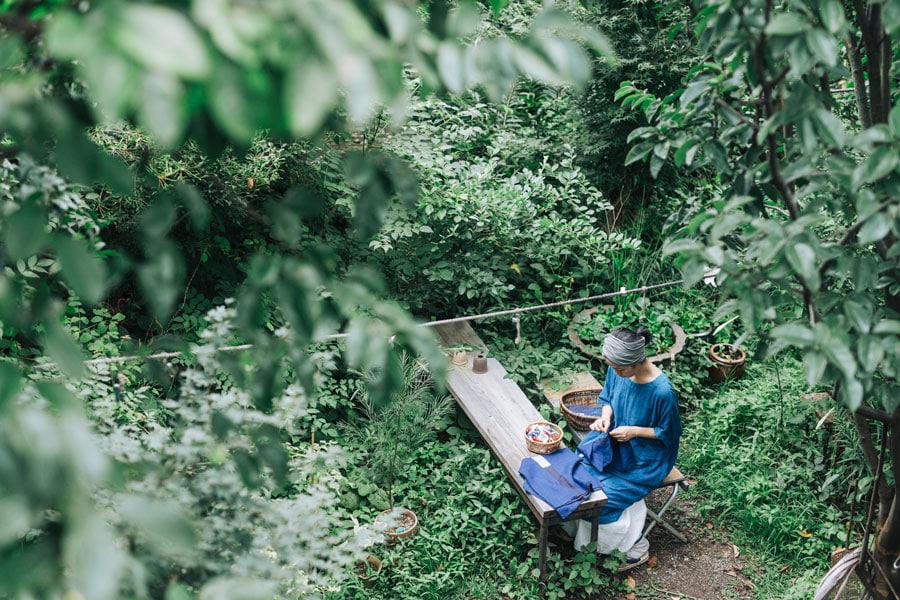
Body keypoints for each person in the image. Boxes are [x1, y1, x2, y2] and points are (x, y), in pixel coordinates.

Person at [563, 325, 683, 570]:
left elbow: (668, 434)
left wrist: (634, 431)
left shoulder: (662, 392)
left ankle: (636, 546)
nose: (615, 372)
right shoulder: (618, 370)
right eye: (612, 367)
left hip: (647, 459)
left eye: (619, 368)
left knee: (599, 500)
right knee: (574, 475)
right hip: (615, 443)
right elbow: (607, 398)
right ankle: (579, 532)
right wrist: (605, 417)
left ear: (637, 361)